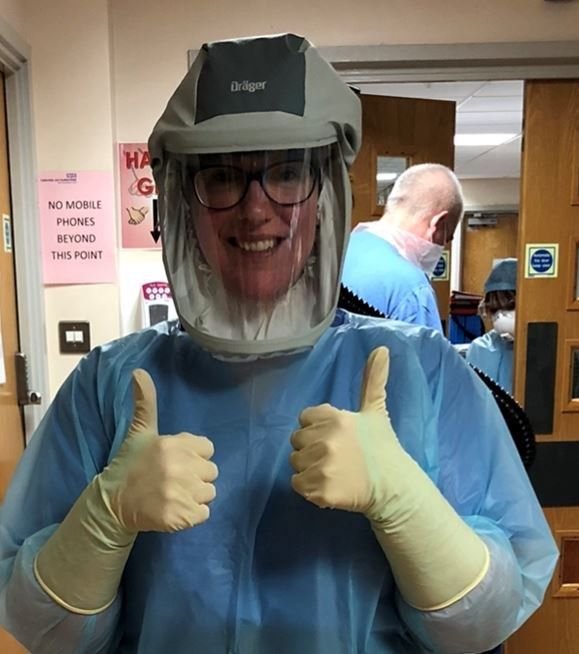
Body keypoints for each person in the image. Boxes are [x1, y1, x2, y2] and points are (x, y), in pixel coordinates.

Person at [0, 34, 556, 654]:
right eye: (221, 177)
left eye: (287, 173)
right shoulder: (112, 384)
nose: (256, 210)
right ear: (184, 197)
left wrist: (405, 503)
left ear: (326, 195)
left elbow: (483, 624)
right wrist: (102, 521)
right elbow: (46, 631)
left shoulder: (420, 372)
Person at [341, 163, 464, 332]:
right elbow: (425, 357)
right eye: (447, 237)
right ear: (438, 225)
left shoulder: (335, 254)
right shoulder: (412, 290)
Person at [466, 258, 517, 393]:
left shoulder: (542, 349)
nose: (501, 316)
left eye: (509, 306)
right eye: (494, 309)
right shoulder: (480, 349)